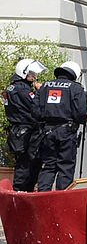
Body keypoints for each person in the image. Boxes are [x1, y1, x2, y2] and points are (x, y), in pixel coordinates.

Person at [35, 61, 87, 192]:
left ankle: (42, 198)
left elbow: (35, 109)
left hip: (47, 131)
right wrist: (82, 119)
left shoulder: (45, 86)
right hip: (66, 132)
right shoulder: (76, 88)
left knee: (48, 166)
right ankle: (61, 198)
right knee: (65, 167)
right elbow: (81, 112)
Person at [5, 59, 46, 191]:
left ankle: (23, 190)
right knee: (27, 163)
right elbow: (35, 105)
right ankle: (21, 192)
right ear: (23, 72)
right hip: (26, 130)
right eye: (32, 73)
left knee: (25, 162)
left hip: (18, 130)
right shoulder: (23, 89)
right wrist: (40, 92)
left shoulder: (12, 87)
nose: (34, 76)